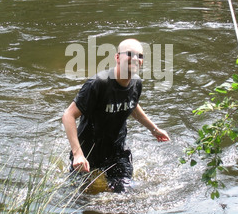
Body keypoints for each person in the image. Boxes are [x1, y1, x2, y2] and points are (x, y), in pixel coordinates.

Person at [62, 38, 170, 192]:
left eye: (139, 56)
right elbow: (68, 115)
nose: (135, 59)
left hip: (116, 151)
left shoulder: (136, 83)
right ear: (117, 57)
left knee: (125, 193)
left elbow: (132, 105)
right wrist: (78, 154)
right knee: (82, 197)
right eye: (130, 54)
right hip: (88, 152)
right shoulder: (98, 83)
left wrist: (154, 129)